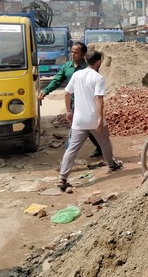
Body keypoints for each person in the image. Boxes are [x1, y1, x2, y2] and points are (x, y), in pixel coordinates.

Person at [56, 50, 123, 190]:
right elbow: (98, 98)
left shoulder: (77, 75)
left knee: (72, 148)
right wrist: (99, 119)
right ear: (98, 62)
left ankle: (62, 178)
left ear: (86, 61)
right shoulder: (98, 78)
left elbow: (67, 93)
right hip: (93, 118)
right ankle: (111, 164)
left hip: (79, 120)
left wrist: (68, 111)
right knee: (104, 142)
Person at [38, 41, 103, 158]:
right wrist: (45, 90)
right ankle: (68, 159)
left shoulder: (89, 68)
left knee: (87, 128)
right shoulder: (66, 67)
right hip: (74, 103)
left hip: (87, 103)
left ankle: (100, 148)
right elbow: (57, 80)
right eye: (72, 52)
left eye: (76, 52)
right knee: (78, 130)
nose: (73, 54)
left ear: (83, 54)